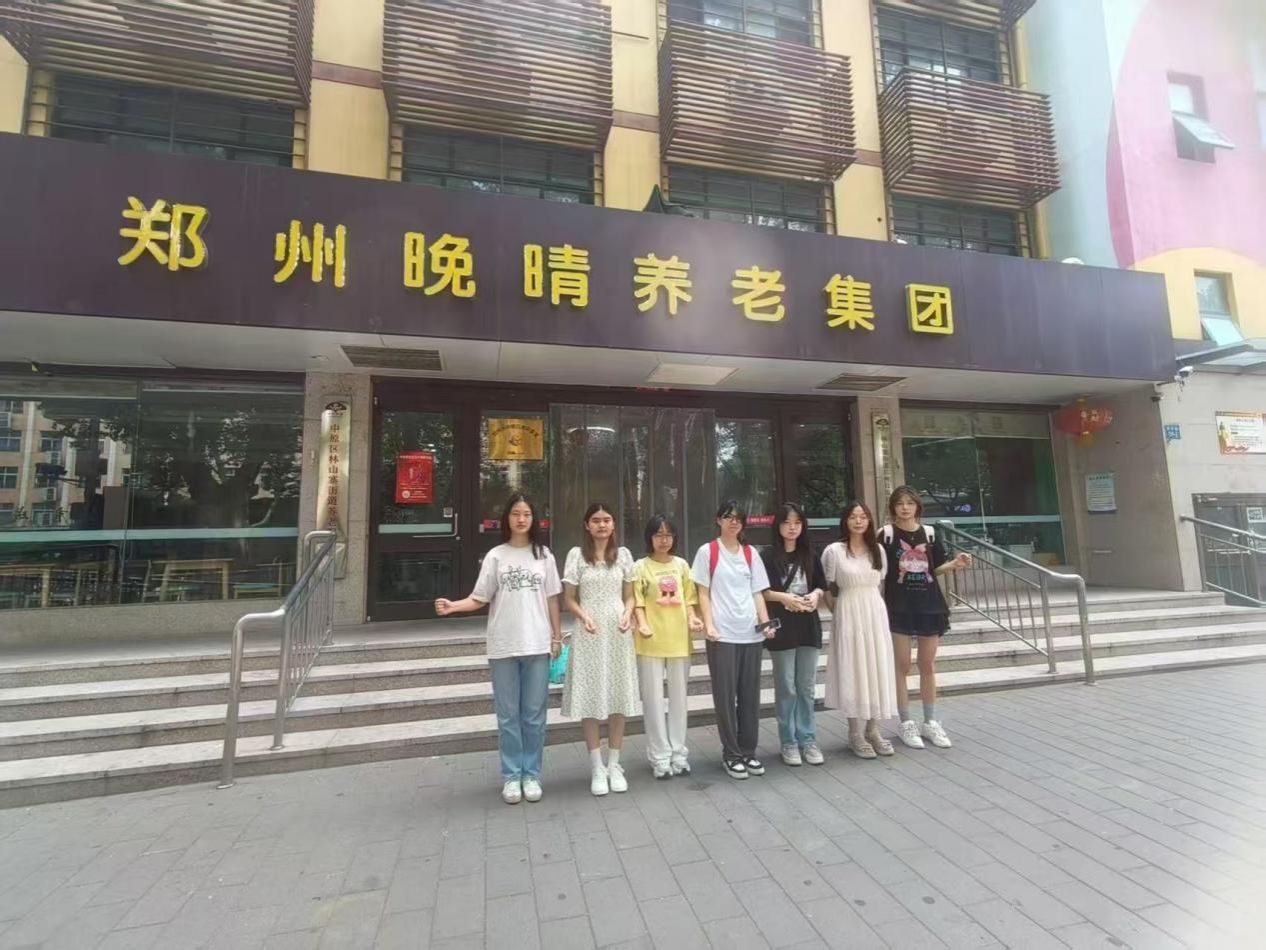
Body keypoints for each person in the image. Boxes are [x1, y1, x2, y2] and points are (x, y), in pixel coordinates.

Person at [435, 493, 562, 805]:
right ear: (507, 518)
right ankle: (511, 776)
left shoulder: (544, 556)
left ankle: (531, 774)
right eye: (516, 513)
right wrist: (453, 606)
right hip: (503, 645)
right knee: (507, 716)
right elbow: (479, 597)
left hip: (536, 643)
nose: (521, 519)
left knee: (534, 715)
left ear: (534, 519)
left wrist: (557, 637)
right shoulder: (496, 556)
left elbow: (552, 599)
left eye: (526, 514)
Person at [880, 486, 972, 750]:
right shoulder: (885, 535)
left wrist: (954, 564)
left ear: (917, 506)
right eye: (900, 503)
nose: (905, 508)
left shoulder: (929, 534)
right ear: (893, 507)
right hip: (898, 607)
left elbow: (934, 568)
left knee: (927, 665)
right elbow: (878, 571)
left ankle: (930, 722)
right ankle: (906, 722)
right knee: (902, 666)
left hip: (929, 606)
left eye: (910, 503)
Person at [561, 502, 639, 796]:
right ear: (587, 525)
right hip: (589, 630)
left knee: (618, 695)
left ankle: (615, 764)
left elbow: (630, 596)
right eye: (596, 520)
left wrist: (628, 613)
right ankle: (597, 765)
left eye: (607, 520)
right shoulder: (576, 555)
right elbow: (569, 599)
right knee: (590, 697)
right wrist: (583, 617)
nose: (602, 525)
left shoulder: (624, 555)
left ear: (614, 524)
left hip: (618, 631)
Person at [692, 500, 772, 780]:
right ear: (718, 520)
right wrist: (709, 625)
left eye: (738, 518)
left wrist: (765, 623)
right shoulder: (708, 552)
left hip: (750, 633)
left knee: (750, 696)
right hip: (722, 634)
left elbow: (757, 592)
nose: (733, 522)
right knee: (725, 697)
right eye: (728, 517)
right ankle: (731, 754)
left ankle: (749, 751)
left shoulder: (751, 553)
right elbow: (702, 593)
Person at [822, 501, 898, 758]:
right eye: (853, 516)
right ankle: (855, 732)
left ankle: (874, 730)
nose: (858, 521)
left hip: (874, 613)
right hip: (848, 612)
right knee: (853, 668)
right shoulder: (834, 551)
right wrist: (839, 614)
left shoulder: (878, 550)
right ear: (845, 520)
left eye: (863, 516)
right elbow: (829, 588)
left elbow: (880, 584)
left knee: (876, 667)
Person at [632, 514, 702, 779]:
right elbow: (637, 602)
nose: (664, 540)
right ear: (649, 538)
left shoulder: (682, 565)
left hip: (679, 640)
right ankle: (659, 756)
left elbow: (690, 599)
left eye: (668, 535)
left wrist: (694, 619)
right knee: (652, 701)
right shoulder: (640, 566)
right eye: (658, 535)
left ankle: (679, 753)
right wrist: (642, 624)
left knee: (679, 700)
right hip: (650, 640)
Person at [760, 502, 827, 767]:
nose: (792, 528)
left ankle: (808, 739)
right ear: (778, 525)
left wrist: (815, 595)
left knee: (806, 687)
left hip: (808, 625)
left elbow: (820, 586)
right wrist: (785, 597)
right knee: (786, 686)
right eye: (787, 522)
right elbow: (762, 592)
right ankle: (788, 741)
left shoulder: (810, 554)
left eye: (797, 523)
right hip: (782, 627)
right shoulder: (767, 556)